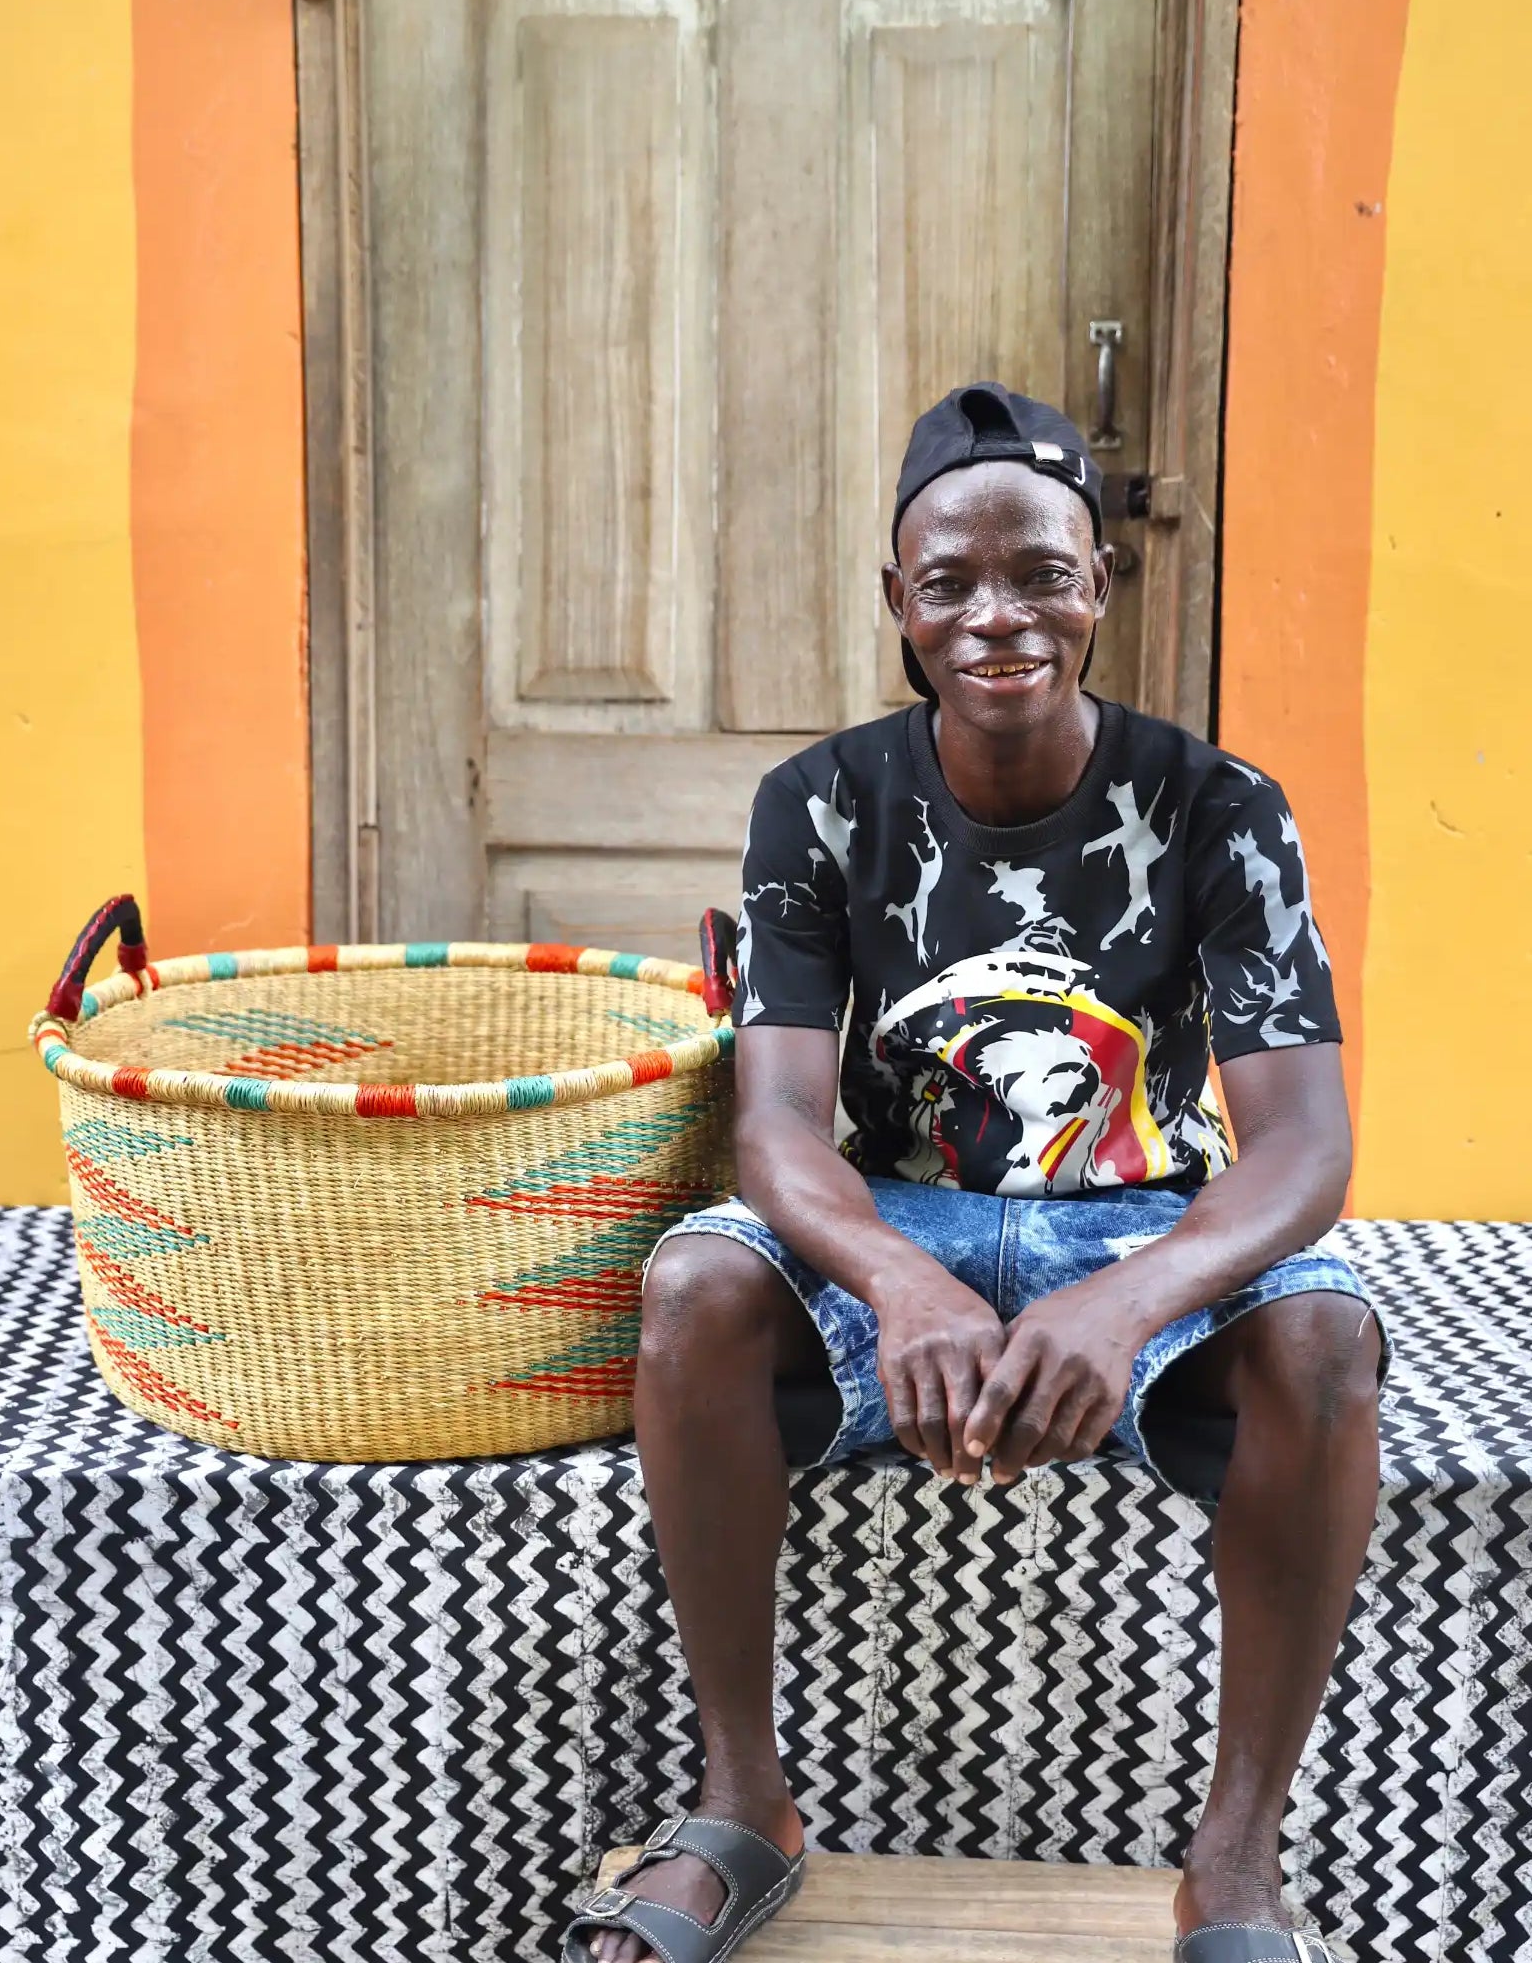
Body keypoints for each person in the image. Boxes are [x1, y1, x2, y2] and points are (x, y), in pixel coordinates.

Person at [562, 383, 1389, 1963]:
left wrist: (1126, 1301)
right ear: (899, 601)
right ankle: (743, 1808)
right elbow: (778, 1120)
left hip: (1145, 1218)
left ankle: (1234, 1868)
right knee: (695, 1286)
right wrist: (900, 1278)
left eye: (1041, 574)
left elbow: (1302, 1144)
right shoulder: (819, 803)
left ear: (1100, 585)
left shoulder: (1220, 809)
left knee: (1326, 1341)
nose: (997, 614)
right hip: (900, 1213)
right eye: (950, 582)